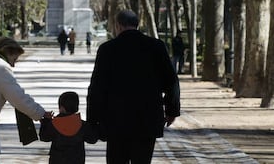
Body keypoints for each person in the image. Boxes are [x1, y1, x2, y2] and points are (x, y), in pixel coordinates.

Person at [86, 10, 181, 164]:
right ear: (137, 25)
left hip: (115, 120)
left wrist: (92, 120)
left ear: (118, 26)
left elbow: (97, 88)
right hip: (147, 119)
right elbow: (171, 81)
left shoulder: (107, 49)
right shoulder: (156, 46)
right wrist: (172, 110)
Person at [39, 91, 98, 164]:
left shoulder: (54, 124)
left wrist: (45, 121)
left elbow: (44, 137)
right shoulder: (82, 125)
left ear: (62, 108)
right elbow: (92, 139)